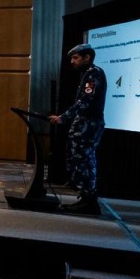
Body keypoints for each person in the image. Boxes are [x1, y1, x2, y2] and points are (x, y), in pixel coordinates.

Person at [49, 43, 107, 214]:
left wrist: (64, 117)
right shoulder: (87, 73)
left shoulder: (93, 73)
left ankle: (89, 201)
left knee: (84, 160)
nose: (72, 62)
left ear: (87, 57)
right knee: (82, 160)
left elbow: (86, 100)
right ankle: (87, 199)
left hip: (89, 123)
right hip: (85, 122)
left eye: (75, 58)